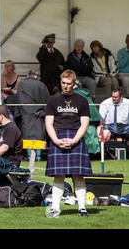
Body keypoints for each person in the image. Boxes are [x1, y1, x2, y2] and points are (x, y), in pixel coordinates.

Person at [44, 70, 92, 218]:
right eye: (63, 83)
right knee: (59, 175)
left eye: (68, 84)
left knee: (78, 176)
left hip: (75, 137)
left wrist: (74, 140)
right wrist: (56, 141)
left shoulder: (82, 101)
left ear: (74, 84)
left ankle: (82, 208)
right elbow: (48, 123)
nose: (65, 86)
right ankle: (55, 209)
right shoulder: (53, 100)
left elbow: (84, 124)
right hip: (57, 136)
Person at [15, 69, 50, 161]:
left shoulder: (21, 84)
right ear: (36, 76)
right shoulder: (41, 84)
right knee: (39, 135)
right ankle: (38, 156)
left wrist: (18, 112)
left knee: (26, 135)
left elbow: (18, 98)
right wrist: (46, 113)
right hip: (39, 113)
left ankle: (30, 156)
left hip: (25, 113)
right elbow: (46, 99)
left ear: (27, 75)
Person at [74, 80, 101, 154]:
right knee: (91, 136)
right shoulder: (84, 93)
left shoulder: (76, 94)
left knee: (87, 137)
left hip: (84, 119)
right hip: (90, 119)